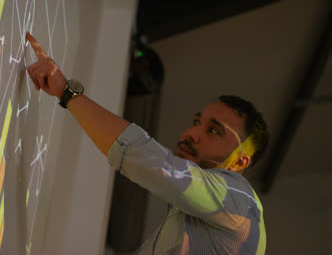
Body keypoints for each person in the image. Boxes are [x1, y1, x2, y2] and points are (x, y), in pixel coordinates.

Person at [25, 32, 268, 254]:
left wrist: (66, 92)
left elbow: (155, 163)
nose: (193, 133)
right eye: (196, 121)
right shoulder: (196, 217)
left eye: (214, 130)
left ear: (240, 162)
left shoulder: (241, 200)